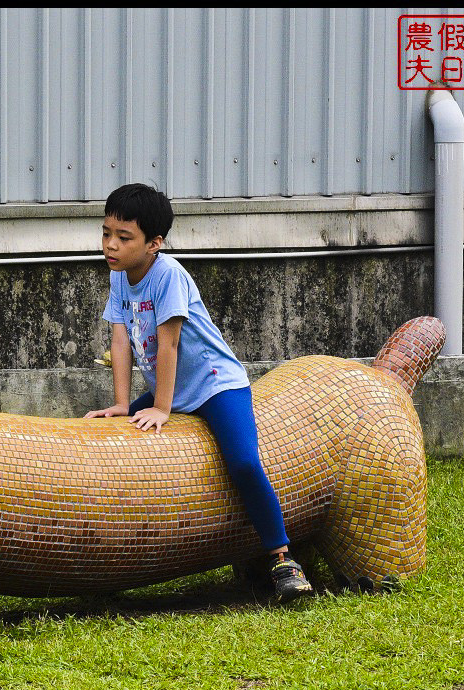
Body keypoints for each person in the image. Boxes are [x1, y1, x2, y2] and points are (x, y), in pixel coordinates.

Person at [84, 183, 313, 603]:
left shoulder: (168, 275)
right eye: (106, 234)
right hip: (169, 391)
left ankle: (283, 559)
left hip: (214, 385)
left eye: (123, 237)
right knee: (107, 438)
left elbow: (167, 343)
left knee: (243, 462)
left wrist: (161, 408)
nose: (111, 245)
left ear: (155, 244)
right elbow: (120, 341)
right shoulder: (119, 277)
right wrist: (121, 404)